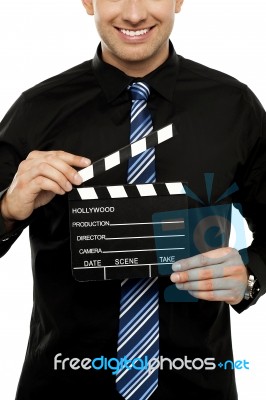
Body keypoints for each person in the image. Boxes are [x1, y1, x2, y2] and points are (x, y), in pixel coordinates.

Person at [0, 0, 265, 399]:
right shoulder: (38, 110)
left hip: (197, 382)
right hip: (62, 382)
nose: (135, 13)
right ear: (88, 2)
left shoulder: (233, 107)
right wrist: (6, 207)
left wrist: (250, 277)